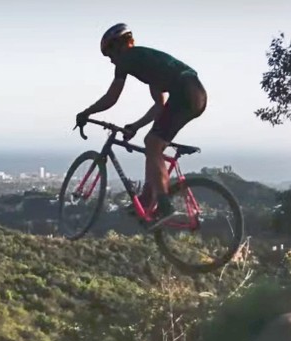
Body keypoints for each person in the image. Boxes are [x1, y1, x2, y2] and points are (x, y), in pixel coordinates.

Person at [76, 23, 207, 230]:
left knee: (152, 143)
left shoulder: (128, 58)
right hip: (193, 93)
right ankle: (148, 199)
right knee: (153, 145)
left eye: (109, 54)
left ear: (118, 46)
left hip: (185, 91)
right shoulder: (150, 65)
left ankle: (165, 205)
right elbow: (160, 107)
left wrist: (87, 112)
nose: (110, 60)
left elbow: (112, 97)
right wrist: (135, 126)